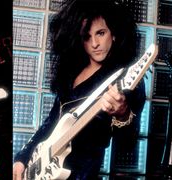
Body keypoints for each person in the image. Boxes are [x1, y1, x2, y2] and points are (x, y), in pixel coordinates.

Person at [13, 0, 146, 179]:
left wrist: (123, 114)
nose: (94, 44)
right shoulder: (71, 72)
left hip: (81, 174)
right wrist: (22, 157)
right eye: (86, 36)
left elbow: (127, 143)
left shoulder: (124, 78)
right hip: (44, 170)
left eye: (100, 33)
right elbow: (50, 123)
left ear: (114, 33)